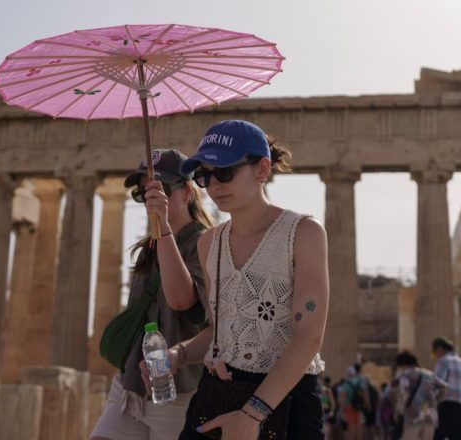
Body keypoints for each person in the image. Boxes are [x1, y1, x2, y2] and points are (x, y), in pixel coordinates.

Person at [158, 120, 329, 439]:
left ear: (262, 169)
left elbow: (309, 336)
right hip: (219, 393)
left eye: (225, 171)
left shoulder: (304, 233)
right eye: (204, 175)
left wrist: (253, 414)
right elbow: (218, 330)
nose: (214, 185)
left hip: (286, 399)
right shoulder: (208, 243)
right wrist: (178, 354)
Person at [90, 149, 215, 440]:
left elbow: (181, 300)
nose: (150, 199)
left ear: (186, 193)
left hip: (178, 392)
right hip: (129, 388)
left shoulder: (205, 243)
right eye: (142, 193)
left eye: (160, 190)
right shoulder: (148, 248)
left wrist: (165, 230)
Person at [431, 337, 461, 440]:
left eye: (434, 352)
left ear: (440, 349)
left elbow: (437, 384)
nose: (435, 356)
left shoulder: (443, 361)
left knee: (436, 436)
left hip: (447, 407)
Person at [393, 351, 448, 440]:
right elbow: (444, 387)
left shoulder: (405, 375)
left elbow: (404, 394)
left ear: (402, 364)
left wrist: (399, 411)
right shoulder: (429, 374)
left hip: (413, 415)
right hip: (430, 414)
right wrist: (435, 398)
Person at [340, 366, 368, 440]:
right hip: (359, 407)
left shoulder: (346, 384)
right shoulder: (360, 381)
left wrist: (342, 408)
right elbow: (364, 393)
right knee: (359, 426)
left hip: (349, 407)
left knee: (351, 426)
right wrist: (366, 404)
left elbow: (343, 397)